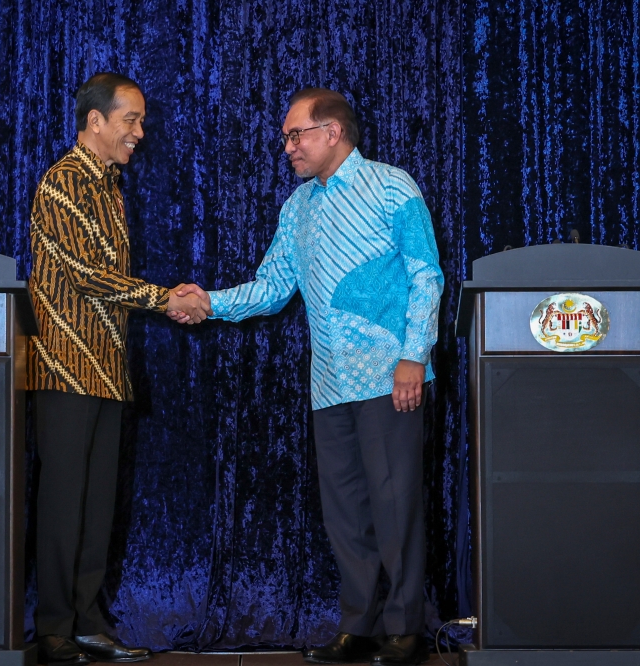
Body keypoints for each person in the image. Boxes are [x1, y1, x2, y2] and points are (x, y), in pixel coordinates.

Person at [171, 88, 444, 666]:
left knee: (394, 504)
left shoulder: (394, 187)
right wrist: (209, 302)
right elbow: (271, 288)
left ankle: (405, 629)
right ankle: (359, 626)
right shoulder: (297, 208)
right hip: (330, 382)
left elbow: (426, 274)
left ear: (333, 133)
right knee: (344, 509)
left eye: (297, 134)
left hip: (390, 375)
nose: (288, 147)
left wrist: (414, 357)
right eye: (287, 137)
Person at [29, 72, 209, 666]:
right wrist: (165, 298)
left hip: (105, 369)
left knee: (95, 502)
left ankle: (87, 620)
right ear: (95, 122)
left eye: (140, 120)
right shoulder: (62, 183)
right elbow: (85, 273)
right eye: (129, 119)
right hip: (64, 367)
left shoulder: (108, 184)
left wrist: (162, 297)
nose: (139, 130)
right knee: (62, 502)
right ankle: (54, 628)